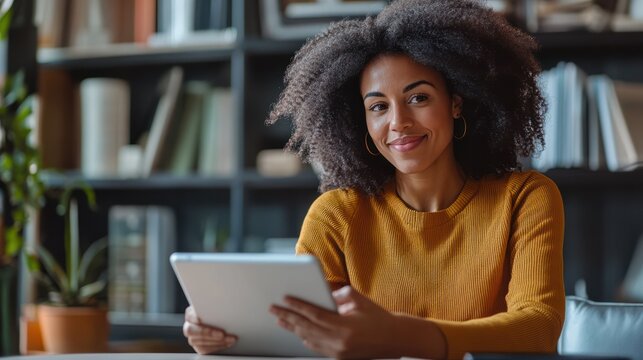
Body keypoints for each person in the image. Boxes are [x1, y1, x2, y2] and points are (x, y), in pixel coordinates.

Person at [182, 0, 565, 358]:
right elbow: (305, 339)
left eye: (418, 98)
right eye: (378, 106)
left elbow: (539, 328)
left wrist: (398, 334)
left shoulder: (525, 198)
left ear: (456, 101)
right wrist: (226, 336)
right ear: (361, 122)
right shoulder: (336, 215)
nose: (398, 123)